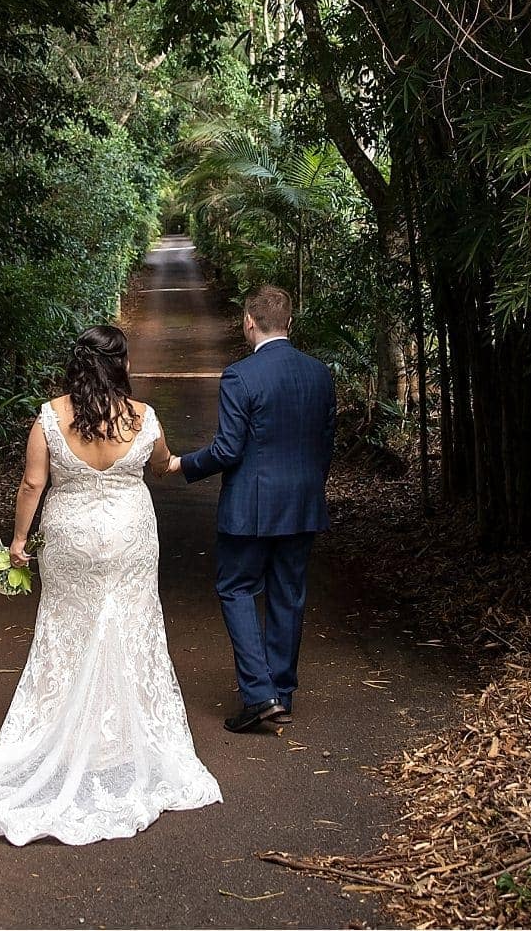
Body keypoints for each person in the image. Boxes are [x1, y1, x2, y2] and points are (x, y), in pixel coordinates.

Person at [0, 325, 221, 844]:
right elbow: (162, 464)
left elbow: (34, 482)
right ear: (121, 364)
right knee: (131, 623)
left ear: (77, 364)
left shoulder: (50, 417)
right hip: (129, 537)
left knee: (67, 628)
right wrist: (195, 461)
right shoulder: (143, 417)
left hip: (71, 538)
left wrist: (18, 543)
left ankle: (64, 732)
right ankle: (123, 738)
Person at [171, 285, 336, 732]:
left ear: (249, 321)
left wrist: (182, 463)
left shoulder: (240, 376)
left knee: (236, 588)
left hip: (251, 508)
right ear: (290, 323)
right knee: (289, 593)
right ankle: (280, 691)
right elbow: (324, 447)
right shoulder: (319, 374)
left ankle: (259, 693)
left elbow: (227, 450)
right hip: (302, 505)